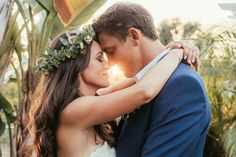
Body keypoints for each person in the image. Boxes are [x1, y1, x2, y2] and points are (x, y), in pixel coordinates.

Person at [29, 24, 198, 157]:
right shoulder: (74, 110)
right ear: (77, 66)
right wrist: (177, 54)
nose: (107, 65)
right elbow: (144, 90)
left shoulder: (90, 101)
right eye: (99, 58)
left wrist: (166, 51)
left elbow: (136, 81)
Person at [92, 2, 211, 157]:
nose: (111, 62)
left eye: (111, 51)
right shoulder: (142, 82)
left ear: (134, 36)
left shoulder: (183, 86)